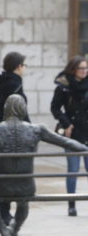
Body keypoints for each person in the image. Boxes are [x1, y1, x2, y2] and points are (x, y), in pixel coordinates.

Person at [0, 94, 88, 236]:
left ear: (6, 109)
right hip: (26, 187)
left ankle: (1, 227)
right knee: (23, 200)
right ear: (23, 110)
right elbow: (66, 142)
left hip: (0, 186)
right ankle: (14, 229)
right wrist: (85, 149)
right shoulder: (37, 129)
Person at [0, 51, 29, 225]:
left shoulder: (1, 82)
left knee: (5, 171)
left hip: (2, 132)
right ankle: (5, 212)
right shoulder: (14, 84)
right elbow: (22, 113)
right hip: (15, 134)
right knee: (15, 173)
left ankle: (4, 211)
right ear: (18, 66)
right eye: (24, 65)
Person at [51, 55, 88, 217]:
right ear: (73, 69)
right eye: (81, 68)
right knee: (73, 170)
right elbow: (55, 108)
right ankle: (71, 205)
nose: (84, 71)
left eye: (86, 68)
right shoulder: (63, 86)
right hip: (72, 133)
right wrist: (66, 124)